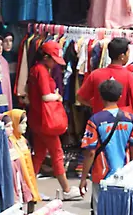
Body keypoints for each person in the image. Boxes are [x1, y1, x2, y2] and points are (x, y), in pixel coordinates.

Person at [79, 80, 133, 215]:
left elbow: (90, 152)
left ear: (101, 97)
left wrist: (83, 178)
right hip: (124, 173)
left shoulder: (95, 120)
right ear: (120, 96)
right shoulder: (130, 119)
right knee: (122, 214)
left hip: (101, 174)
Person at [26, 40, 81, 200]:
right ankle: (66, 189)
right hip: (46, 120)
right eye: (53, 60)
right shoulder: (42, 71)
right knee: (57, 153)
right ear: (45, 57)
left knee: (39, 155)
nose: (55, 64)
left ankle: (30, 188)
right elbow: (45, 96)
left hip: (38, 118)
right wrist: (57, 96)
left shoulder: (35, 69)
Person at [77, 37, 133, 139]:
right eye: (128, 52)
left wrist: (96, 104)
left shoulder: (95, 74)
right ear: (122, 56)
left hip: (100, 125)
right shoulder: (129, 76)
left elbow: (80, 97)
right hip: (123, 127)